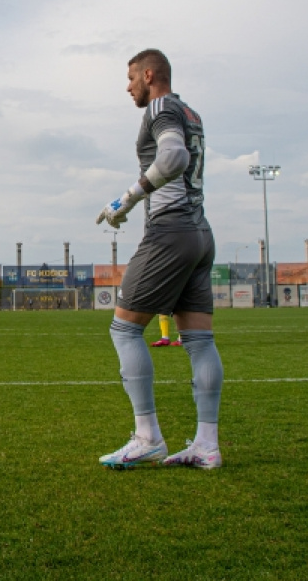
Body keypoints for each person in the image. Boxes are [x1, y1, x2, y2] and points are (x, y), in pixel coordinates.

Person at [96, 49, 222, 470]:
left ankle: (147, 435)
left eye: (131, 77)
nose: (127, 86)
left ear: (149, 75)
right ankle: (206, 444)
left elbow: (173, 158)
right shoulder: (191, 113)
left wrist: (127, 200)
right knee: (200, 340)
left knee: (124, 330)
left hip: (170, 231)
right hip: (200, 231)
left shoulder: (160, 108)